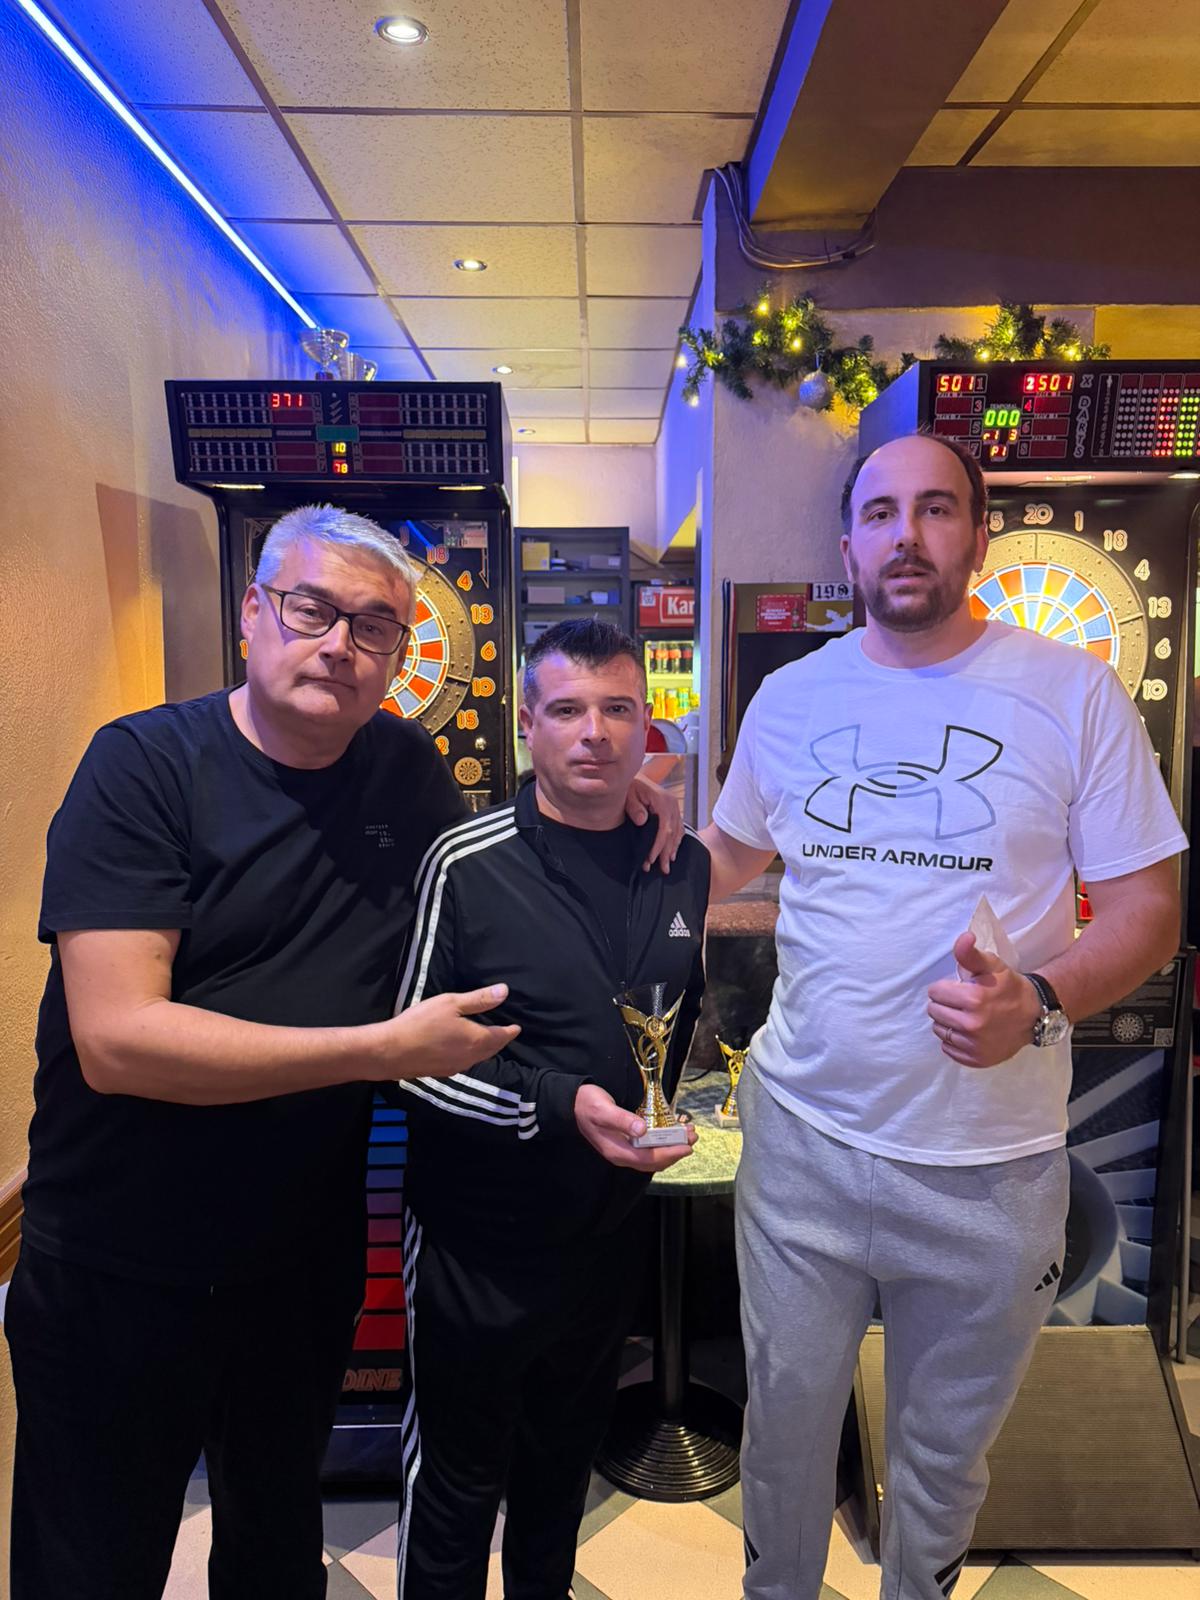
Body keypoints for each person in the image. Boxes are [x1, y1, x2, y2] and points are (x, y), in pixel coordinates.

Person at [6, 508, 680, 1600]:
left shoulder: (403, 770)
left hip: (299, 1251)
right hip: (121, 1254)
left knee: (277, 1552)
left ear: (401, 652)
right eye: (311, 609)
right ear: (251, 612)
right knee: (91, 1565)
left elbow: (495, 866)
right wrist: (380, 1048)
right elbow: (117, 1040)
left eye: (374, 626)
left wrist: (610, 796)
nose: (338, 645)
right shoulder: (144, 764)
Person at [700, 434, 1186, 1600]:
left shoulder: (1073, 693)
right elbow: (725, 860)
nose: (905, 535)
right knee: (782, 1436)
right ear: (849, 545)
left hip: (990, 1171)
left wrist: (1043, 997)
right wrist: (606, 839)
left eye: (934, 509)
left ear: (977, 534)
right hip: (802, 1148)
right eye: (880, 513)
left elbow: (1150, 911)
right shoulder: (790, 696)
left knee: (942, 1462)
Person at [392, 618, 710, 1600]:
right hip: (474, 1245)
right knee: (454, 1491)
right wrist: (555, 1104)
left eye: (618, 709)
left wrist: (662, 1111)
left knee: (560, 1475)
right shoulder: (466, 862)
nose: (595, 733)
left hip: (605, 1234)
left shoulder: (683, 861)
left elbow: (674, 1026)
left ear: (649, 726)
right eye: (567, 709)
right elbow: (406, 1063)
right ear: (527, 724)